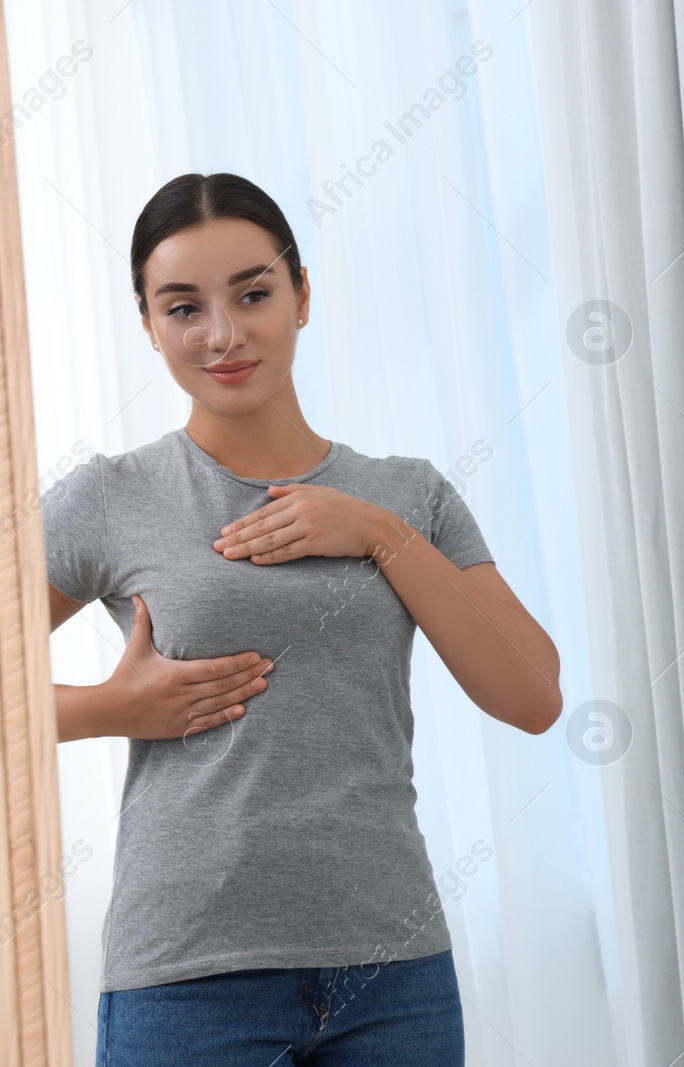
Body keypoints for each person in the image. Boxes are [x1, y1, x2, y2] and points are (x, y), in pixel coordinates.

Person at [43, 172, 562, 1065]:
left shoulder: (408, 496)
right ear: (146, 324)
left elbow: (532, 693)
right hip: (188, 977)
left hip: (391, 975)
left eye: (253, 293)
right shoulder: (110, 496)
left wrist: (378, 534)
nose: (224, 334)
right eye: (183, 307)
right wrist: (105, 710)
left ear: (303, 294)